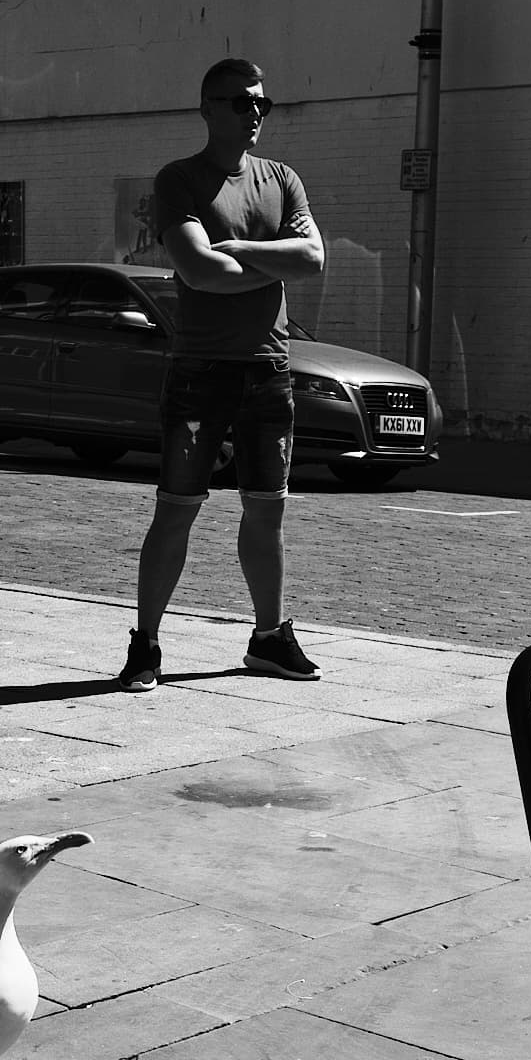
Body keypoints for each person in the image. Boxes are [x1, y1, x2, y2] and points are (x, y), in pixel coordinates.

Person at [117, 57, 325, 693]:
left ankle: (268, 639)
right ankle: (146, 645)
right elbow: (199, 272)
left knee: (267, 513)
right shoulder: (179, 180)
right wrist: (266, 263)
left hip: (267, 369)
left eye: (262, 103)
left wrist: (238, 251)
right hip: (200, 373)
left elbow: (312, 258)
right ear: (208, 109)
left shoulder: (282, 179)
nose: (255, 113)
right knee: (177, 510)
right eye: (242, 102)